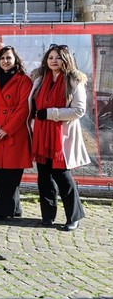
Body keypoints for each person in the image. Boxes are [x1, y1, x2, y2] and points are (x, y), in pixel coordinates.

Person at [30, 44, 89, 231]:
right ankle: (47, 216)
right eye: (51, 57)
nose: (54, 60)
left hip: (61, 138)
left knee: (63, 178)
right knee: (44, 178)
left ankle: (74, 216)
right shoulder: (40, 79)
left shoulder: (74, 79)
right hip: (41, 134)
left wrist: (50, 113)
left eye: (58, 57)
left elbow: (79, 110)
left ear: (66, 59)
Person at [0, 46, 32, 221]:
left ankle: (1, 210)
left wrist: (5, 130)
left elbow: (23, 109)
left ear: (15, 60)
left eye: (9, 58)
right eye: (2, 58)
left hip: (14, 134)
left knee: (10, 174)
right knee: (3, 173)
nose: (5, 61)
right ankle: (15, 209)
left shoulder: (23, 80)